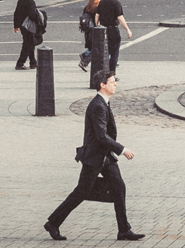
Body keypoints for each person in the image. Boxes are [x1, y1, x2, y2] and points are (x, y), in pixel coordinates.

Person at [44, 69, 143, 241]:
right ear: (102, 85)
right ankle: (53, 222)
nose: (115, 84)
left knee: (119, 187)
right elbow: (101, 136)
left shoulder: (103, 102)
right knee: (81, 192)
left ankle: (124, 230)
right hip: (95, 157)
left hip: (105, 156)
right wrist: (122, 149)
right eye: (112, 82)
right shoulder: (98, 105)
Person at [97, 0, 132, 67]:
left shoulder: (102, 2)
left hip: (103, 28)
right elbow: (120, 18)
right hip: (113, 30)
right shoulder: (117, 3)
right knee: (114, 53)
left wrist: (97, 26)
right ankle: (111, 74)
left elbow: (97, 15)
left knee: (104, 51)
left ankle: (103, 71)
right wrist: (127, 29)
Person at [13, 0, 44, 70]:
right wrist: (38, 21)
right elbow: (32, 14)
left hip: (22, 25)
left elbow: (17, 13)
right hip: (28, 26)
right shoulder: (30, 1)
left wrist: (16, 25)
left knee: (30, 43)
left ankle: (33, 62)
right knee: (28, 44)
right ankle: (20, 63)